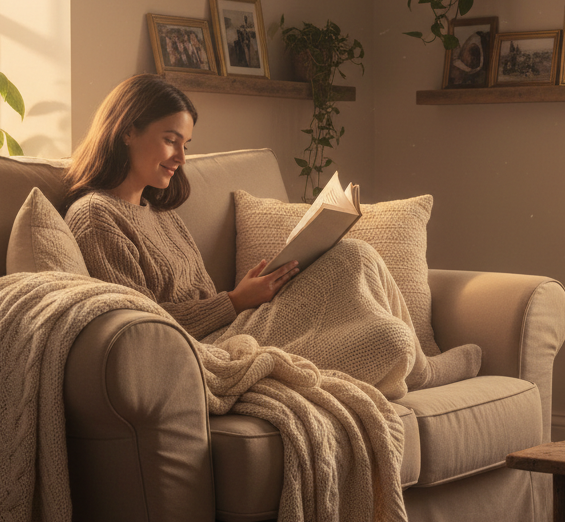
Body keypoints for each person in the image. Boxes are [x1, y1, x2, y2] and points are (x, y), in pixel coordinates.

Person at [63, 75, 479, 398]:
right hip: (207, 353)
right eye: (171, 141)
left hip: (232, 325)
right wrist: (234, 301)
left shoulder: (160, 212)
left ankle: (422, 369)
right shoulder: (95, 217)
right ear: (126, 131)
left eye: (186, 144)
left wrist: (244, 296)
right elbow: (140, 327)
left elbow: (201, 295)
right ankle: (420, 368)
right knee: (387, 341)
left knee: (354, 252)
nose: (181, 158)